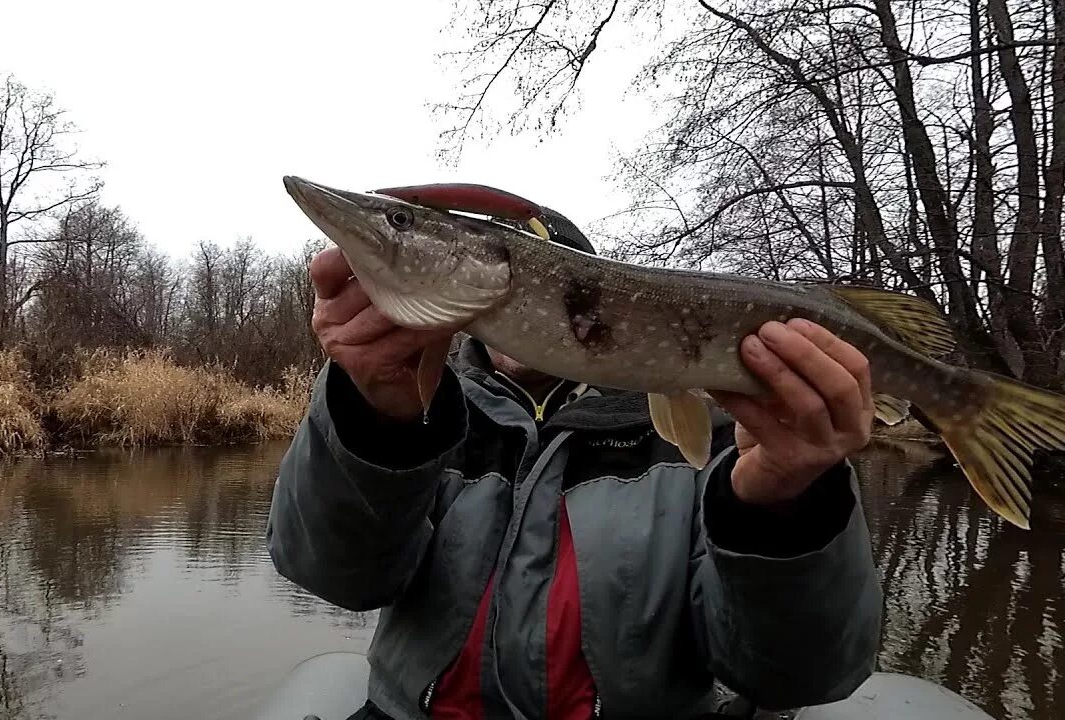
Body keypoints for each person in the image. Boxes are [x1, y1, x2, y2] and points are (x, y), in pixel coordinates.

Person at [266, 206, 884, 720]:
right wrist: (373, 419)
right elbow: (336, 578)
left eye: (401, 224)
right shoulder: (426, 413)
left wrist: (785, 508)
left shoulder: (732, 442)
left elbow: (793, 677)